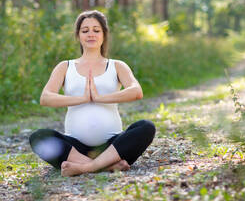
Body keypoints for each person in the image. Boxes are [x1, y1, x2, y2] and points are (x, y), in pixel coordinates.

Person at [29, 10, 156, 177]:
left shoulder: (117, 65)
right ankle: (106, 166)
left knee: (146, 127)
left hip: (113, 147)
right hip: (75, 148)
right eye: (85, 30)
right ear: (78, 35)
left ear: (104, 35)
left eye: (96, 30)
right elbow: (45, 97)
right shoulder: (65, 66)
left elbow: (136, 91)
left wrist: (100, 98)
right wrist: (81, 99)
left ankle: (84, 168)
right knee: (38, 137)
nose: (91, 34)